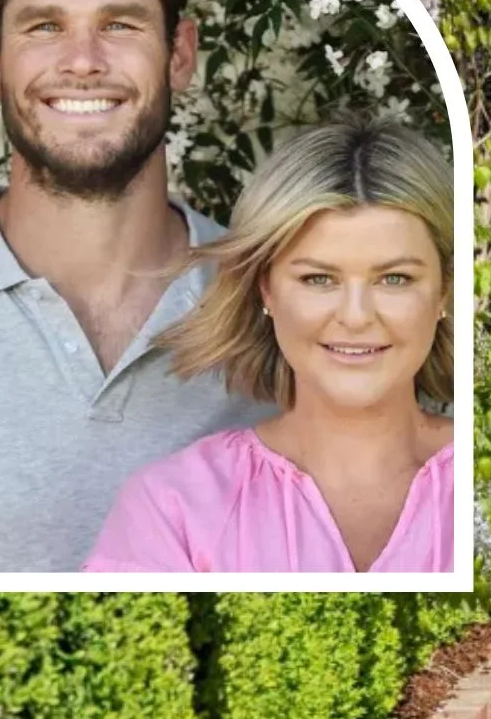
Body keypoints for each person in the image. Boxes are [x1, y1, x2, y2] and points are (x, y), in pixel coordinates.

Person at [0, 0, 274, 572]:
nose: (83, 61)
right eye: (45, 26)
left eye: (121, 25)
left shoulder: (281, 307)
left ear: (180, 56)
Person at [82, 120, 457, 573]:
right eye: (318, 279)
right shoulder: (173, 509)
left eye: (394, 278)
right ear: (267, 292)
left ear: (444, 293)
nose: (356, 316)